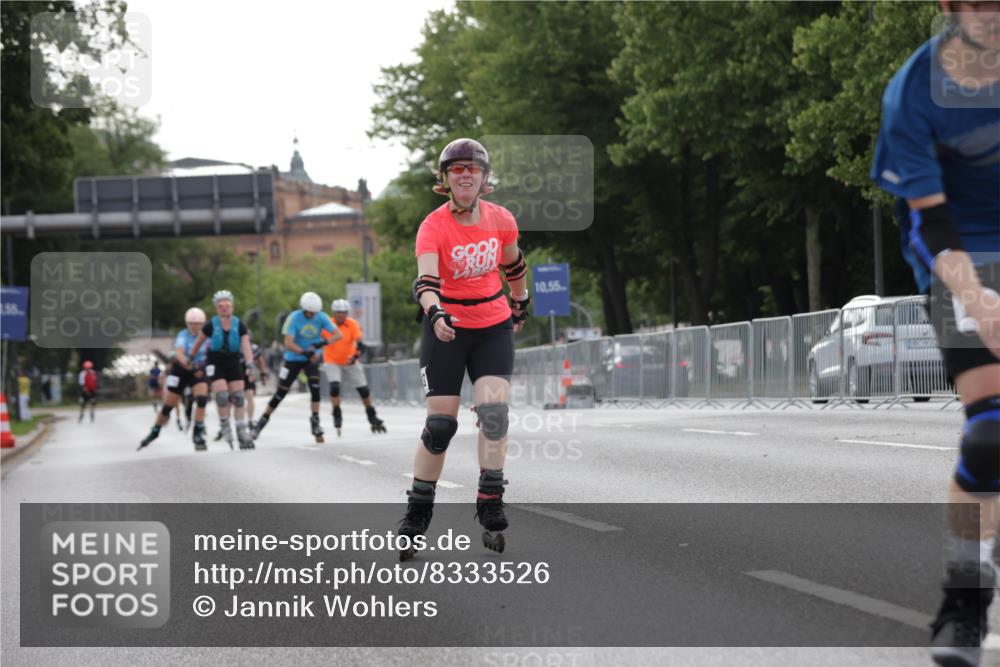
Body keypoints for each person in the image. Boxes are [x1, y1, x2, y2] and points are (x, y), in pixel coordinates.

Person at [871, 4, 1000, 665]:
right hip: (960, 258)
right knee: (991, 432)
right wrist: (980, 302)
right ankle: (965, 601)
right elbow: (932, 226)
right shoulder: (913, 92)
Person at [397, 138, 531, 560]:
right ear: (445, 180)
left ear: (485, 178)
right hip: (446, 328)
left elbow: (513, 264)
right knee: (440, 426)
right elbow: (425, 281)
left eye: (473, 168)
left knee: (494, 413)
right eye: (456, 169)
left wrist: (521, 300)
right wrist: (435, 314)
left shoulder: (501, 219)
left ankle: (490, 499)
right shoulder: (433, 226)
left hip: (492, 325)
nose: (465, 174)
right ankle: (418, 511)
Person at [251, 292, 341, 443]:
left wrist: (321, 344)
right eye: (309, 313)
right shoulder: (294, 317)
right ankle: (261, 422)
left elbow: (338, 335)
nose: (312, 315)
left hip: (311, 358)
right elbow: (288, 342)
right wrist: (303, 351)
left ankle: (315, 422)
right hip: (294, 358)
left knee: (315, 389)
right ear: (303, 309)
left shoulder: (322, 317)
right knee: (281, 393)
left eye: (314, 313)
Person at [190, 290, 256, 450]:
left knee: (239, 396)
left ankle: (241, 429)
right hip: (215, 360)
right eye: (221, 306)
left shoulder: (239, 324)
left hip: (233, 359)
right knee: (222, 395)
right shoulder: (211, 325)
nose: (224, 308)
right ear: (216, 308)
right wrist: (191, 358)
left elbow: (246, 345)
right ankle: (225, 424)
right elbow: (198, 343)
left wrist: (249, 364)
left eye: (227, 305)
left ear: (232, 306)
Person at [138, 308, 211, 451]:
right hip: (182, 370)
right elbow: (180, 354)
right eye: (192, 324)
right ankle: (155, 430)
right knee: (169, 405)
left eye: (198, 324)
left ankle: (198, 432)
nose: (195, 327)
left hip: (199, 369)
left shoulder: (207, 336)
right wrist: (191, 367)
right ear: (187, 323)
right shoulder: (183, 335)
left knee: (202, 399)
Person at [321, 298, 386, 435]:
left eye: (344, 312)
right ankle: (336, 412)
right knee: (334, 387)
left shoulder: (352, 324)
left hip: (350, 360)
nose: (341, 315)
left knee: (364, 390)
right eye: (338, 312)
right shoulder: (328, 324)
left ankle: (371, 415)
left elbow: (361, 345)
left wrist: (355, 357)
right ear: (334, 313)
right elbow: (319, 340)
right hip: (331, 360)